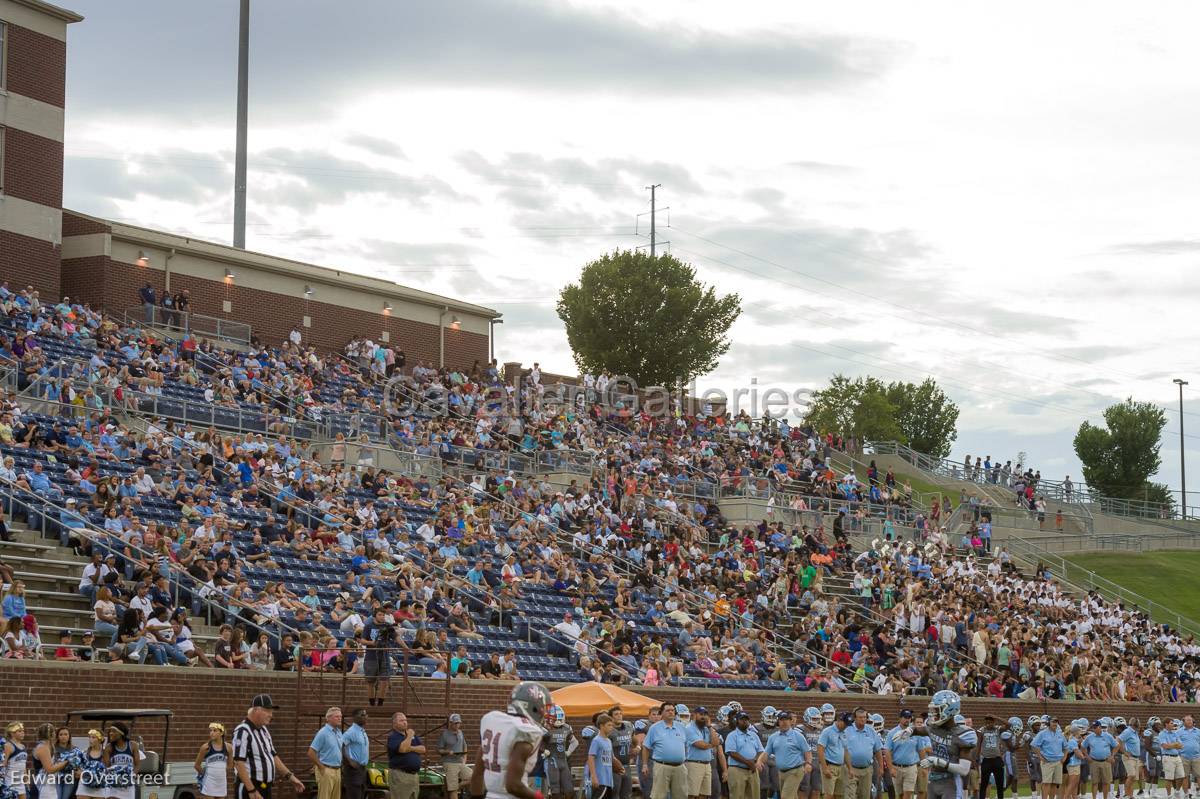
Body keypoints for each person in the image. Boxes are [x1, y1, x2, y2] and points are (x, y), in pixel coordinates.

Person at [468, 682, 552, 799]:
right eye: (542, 708)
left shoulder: (494, 722)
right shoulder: (525, 731)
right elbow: (513, 785)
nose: (544, 712)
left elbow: (476, 775)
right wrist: (538, 797)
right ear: (533, 707)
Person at [231, 694, 306, 799]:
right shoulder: (243, 731)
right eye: (268, 711)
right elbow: (238, 763)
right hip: (250, 788)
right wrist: (251, 790)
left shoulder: (264, 730)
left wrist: (291, 777)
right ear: (256, 710)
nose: (271, 715)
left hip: (265, 787)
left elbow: (273, 756)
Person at [913, 691, 976, 799]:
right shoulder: (934, 728)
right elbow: (921, 730)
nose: (933, 713)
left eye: (937, 710)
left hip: (950, 782)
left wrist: (938, 761)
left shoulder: (963, 735)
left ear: (949, 709)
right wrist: (910, 730)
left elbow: (964, 770)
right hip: (932, 780)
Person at [642, 703, 689, 799]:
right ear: (662, 713)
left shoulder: (682, 727)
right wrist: (645, 764)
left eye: (672, 710)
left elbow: (686, 745)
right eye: (668, 710)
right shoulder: (654, 728)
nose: (671, 712)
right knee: (659, 796)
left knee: (681, 796)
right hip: (662, 767)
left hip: (680, 767)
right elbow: (646, 747)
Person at [765, 711, 811, 799]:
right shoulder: (773, 737)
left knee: (786, 797)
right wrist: (759, 761)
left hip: (795, 771)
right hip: (781, 772)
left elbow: (807, 751)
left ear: (791, 721)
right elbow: (766, 753)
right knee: (792, 796)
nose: (784, 722)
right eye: (782, 720)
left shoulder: (798, 736)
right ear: (778, 722)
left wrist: (808, 763)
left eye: (787, 720)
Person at [684, 706, 724, 799]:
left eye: (705, 715)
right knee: (692, 794)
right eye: (701, 714)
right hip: (694, 764)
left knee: (704, 794)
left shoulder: (707, 728)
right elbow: (702, 746)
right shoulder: (689, 728)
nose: (703, 717)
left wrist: (710, 726)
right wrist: (711, 744)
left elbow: (717, 742)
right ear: (694, 715)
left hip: (707, 764)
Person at [724, 711, 765, 799]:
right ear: (737, 721)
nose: (744, 721)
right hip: (737, 770)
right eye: (742, 719)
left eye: (746, 719)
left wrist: (755, 761)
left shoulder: (754, 735)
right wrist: (748, 763)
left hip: (752, 770)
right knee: (737, 796)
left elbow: (761, 751)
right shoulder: (732, 735)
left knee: (754, 796)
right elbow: (732, 752)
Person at [842, 709, 882, 799]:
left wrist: (881, 767)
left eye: (864, 717)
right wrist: (848, 767)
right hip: (850, 768)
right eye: (860, 717)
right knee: (850, 795)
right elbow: (842, 748)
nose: (863, 719)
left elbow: (878, 750)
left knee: (864, 796)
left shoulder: (871, 731)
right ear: (855, 718)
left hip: (867, 769)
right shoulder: (847, 730)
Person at [308, 708, 344, 799]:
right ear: (328, 718)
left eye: (340, 716)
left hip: (337, 770)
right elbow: (311, 752)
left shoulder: (339, 732)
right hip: (326, 769)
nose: (340, 718)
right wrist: (321, 767)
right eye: (337, 716)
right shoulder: (323, 733)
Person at [542, 706, 578, 799]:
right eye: (555, 717)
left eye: (559, 716)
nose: (558, 719)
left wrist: (569, 752)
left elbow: (575, 742)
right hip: (551, 761)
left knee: (569, 789)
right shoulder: (546, 728)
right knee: (555, 790)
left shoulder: (566, 728)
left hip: (563, 761)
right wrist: (543, 750)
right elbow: (536, 742)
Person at [387, 713, 424, 799]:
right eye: (401, 720)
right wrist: (410, 735)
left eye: (405, 720)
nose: (405, 723)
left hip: (414, 776)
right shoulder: (393, 737)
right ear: (394, 723)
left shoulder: (414, 736)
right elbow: (402, 749)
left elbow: (423, 749)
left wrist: (410, 748)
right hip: (401, 775)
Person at [884, 711, 919, 799]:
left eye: (909, 717)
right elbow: (887, 751)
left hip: (911, 767)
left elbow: (921, 749)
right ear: (900, 718)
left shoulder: (915, 732)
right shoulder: (892, 733)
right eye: (905, 717)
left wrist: (923, 766)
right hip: (897, 767)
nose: (907, 719)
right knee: (900, 795)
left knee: (907, 794)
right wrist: (891, 768)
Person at [1031, 718, 1067, 799]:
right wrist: (1040, 756)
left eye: (1056, 722)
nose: (1055, 724)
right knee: (1046, 783)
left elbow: (1066, 747)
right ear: (1048, 723)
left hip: (1058, 762)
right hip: (1047, 762)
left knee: (1055, 783)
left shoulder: (1060, 734)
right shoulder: (1042, 733)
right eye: (1053, 722)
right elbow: (1034, 745)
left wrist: (1064, 757)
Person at [104, 722, 141, 799]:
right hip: (114, 783)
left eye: (114, 731)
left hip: (128, 782)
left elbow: (137, 765)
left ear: (121, 733)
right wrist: (113, 776)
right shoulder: (108, 747)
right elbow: (106, 766)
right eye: (110, 731)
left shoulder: (133, 745)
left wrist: (132, 775)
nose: (111, 733)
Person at [817, 712, 849, 799]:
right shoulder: (827, 731)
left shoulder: (844, 732)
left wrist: (850, 768)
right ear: (839, 720)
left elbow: (845, 750)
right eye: (845, 723)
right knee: (829, 794)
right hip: (829, 765)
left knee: (839, 794)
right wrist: (824, 768)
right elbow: (820, 750)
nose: (846, 726)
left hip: (841, 767)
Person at [438, 714, 470, 799]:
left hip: (460, 762)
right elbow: (439, 750)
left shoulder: (460, 733)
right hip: (449, 763)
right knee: (453, 790)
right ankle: (452, 789)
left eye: (459, 723)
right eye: (455, 723)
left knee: (473, 778)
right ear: (450, 723)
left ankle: (452, 788)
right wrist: (448, 751)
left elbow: (465, 746)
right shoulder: (444, 734)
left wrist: (464, 759)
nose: (457, 725)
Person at [195, 723, 230, 799]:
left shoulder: (229, 747)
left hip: (221, 782)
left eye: (215, 730)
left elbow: (230, 765)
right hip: (209, 782)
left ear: (221, 733)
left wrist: (222, 773)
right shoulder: (205, 747)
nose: (211, 733)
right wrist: (205, 774)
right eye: (210, 731)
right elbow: (197, 766)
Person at [607, 707, 636, 799]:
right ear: (611, 718)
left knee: (627, 793)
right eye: (616, 714)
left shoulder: (628, 726)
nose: (619, 716)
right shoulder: (608, 730)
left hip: (626, 766)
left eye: (620, 713)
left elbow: (635, 740)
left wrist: (637, 747)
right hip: (614, 767)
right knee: (615, 793)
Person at [976, 716, 1007, 799]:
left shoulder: (997, 729)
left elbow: (1009, 725)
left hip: (997, 759)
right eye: (986, 723)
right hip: (986, 760)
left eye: (990, 722)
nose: (988, 724)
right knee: (984, 784)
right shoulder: (982, 730)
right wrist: (977, 757)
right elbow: (978, 744)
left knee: (999, 784)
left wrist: (996, 716)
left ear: (994, 722)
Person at [342, 709, 370, 799]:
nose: (365, 717)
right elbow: (340, 746)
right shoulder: (351, 732)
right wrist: (350, 761)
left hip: (362, 770)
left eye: (366, 715)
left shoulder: (362, 731)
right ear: (354, 717)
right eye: (362, 715)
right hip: (353, 771)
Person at [588, 714, 617, 799]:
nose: (611, 727)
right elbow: (590, 757)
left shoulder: (609, 741)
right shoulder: (596, 740)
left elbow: (612, 758)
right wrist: (594, 776)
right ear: (601, 726)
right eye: (609, 725)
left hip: (609, 780)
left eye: (612, 725)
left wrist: (619, 767)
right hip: (600, 780)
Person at [75, 730, 105, 799]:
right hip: (84, 787)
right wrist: (81, 773)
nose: (90, 740)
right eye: (89, 737)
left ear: (100, 739)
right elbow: (77, 770)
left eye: (93, 737)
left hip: (99, 787)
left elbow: (109, 769)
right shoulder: (84, 752)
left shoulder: (105, 753)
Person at [3, 722, 29, 799]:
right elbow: (3, 764)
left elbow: (23, 764)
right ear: (12, 733)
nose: (23, 733)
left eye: (23, 731)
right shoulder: (8, 746)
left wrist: (26, 778)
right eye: (19, 731)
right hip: (10, 782)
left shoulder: (23, 746)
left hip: (20, 781)